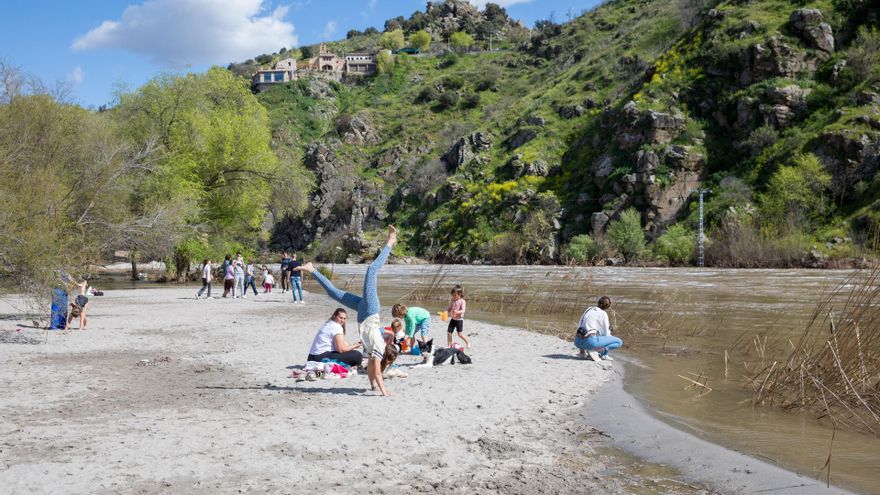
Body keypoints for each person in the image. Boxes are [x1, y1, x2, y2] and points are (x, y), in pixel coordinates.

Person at [294, 225, 397, 396]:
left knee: (334, 293)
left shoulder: (373, 349)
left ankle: (312, 269)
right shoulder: (378, 345)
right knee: (371, 270)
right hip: (371, 309)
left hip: (363, 312)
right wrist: (384, 392)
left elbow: (372, 370)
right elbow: (378, 372)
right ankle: (391, 241)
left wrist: (373, 387)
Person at [575, 296, 623, 361]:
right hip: (589, 343)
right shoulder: (603, 313)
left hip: (577, 342)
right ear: (607, 305)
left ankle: (582, 352)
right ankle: (603, 353)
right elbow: (606, 334)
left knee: (586, 331)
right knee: (619, 342)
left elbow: (580, 324)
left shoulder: (589, 309)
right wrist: (611, 329)